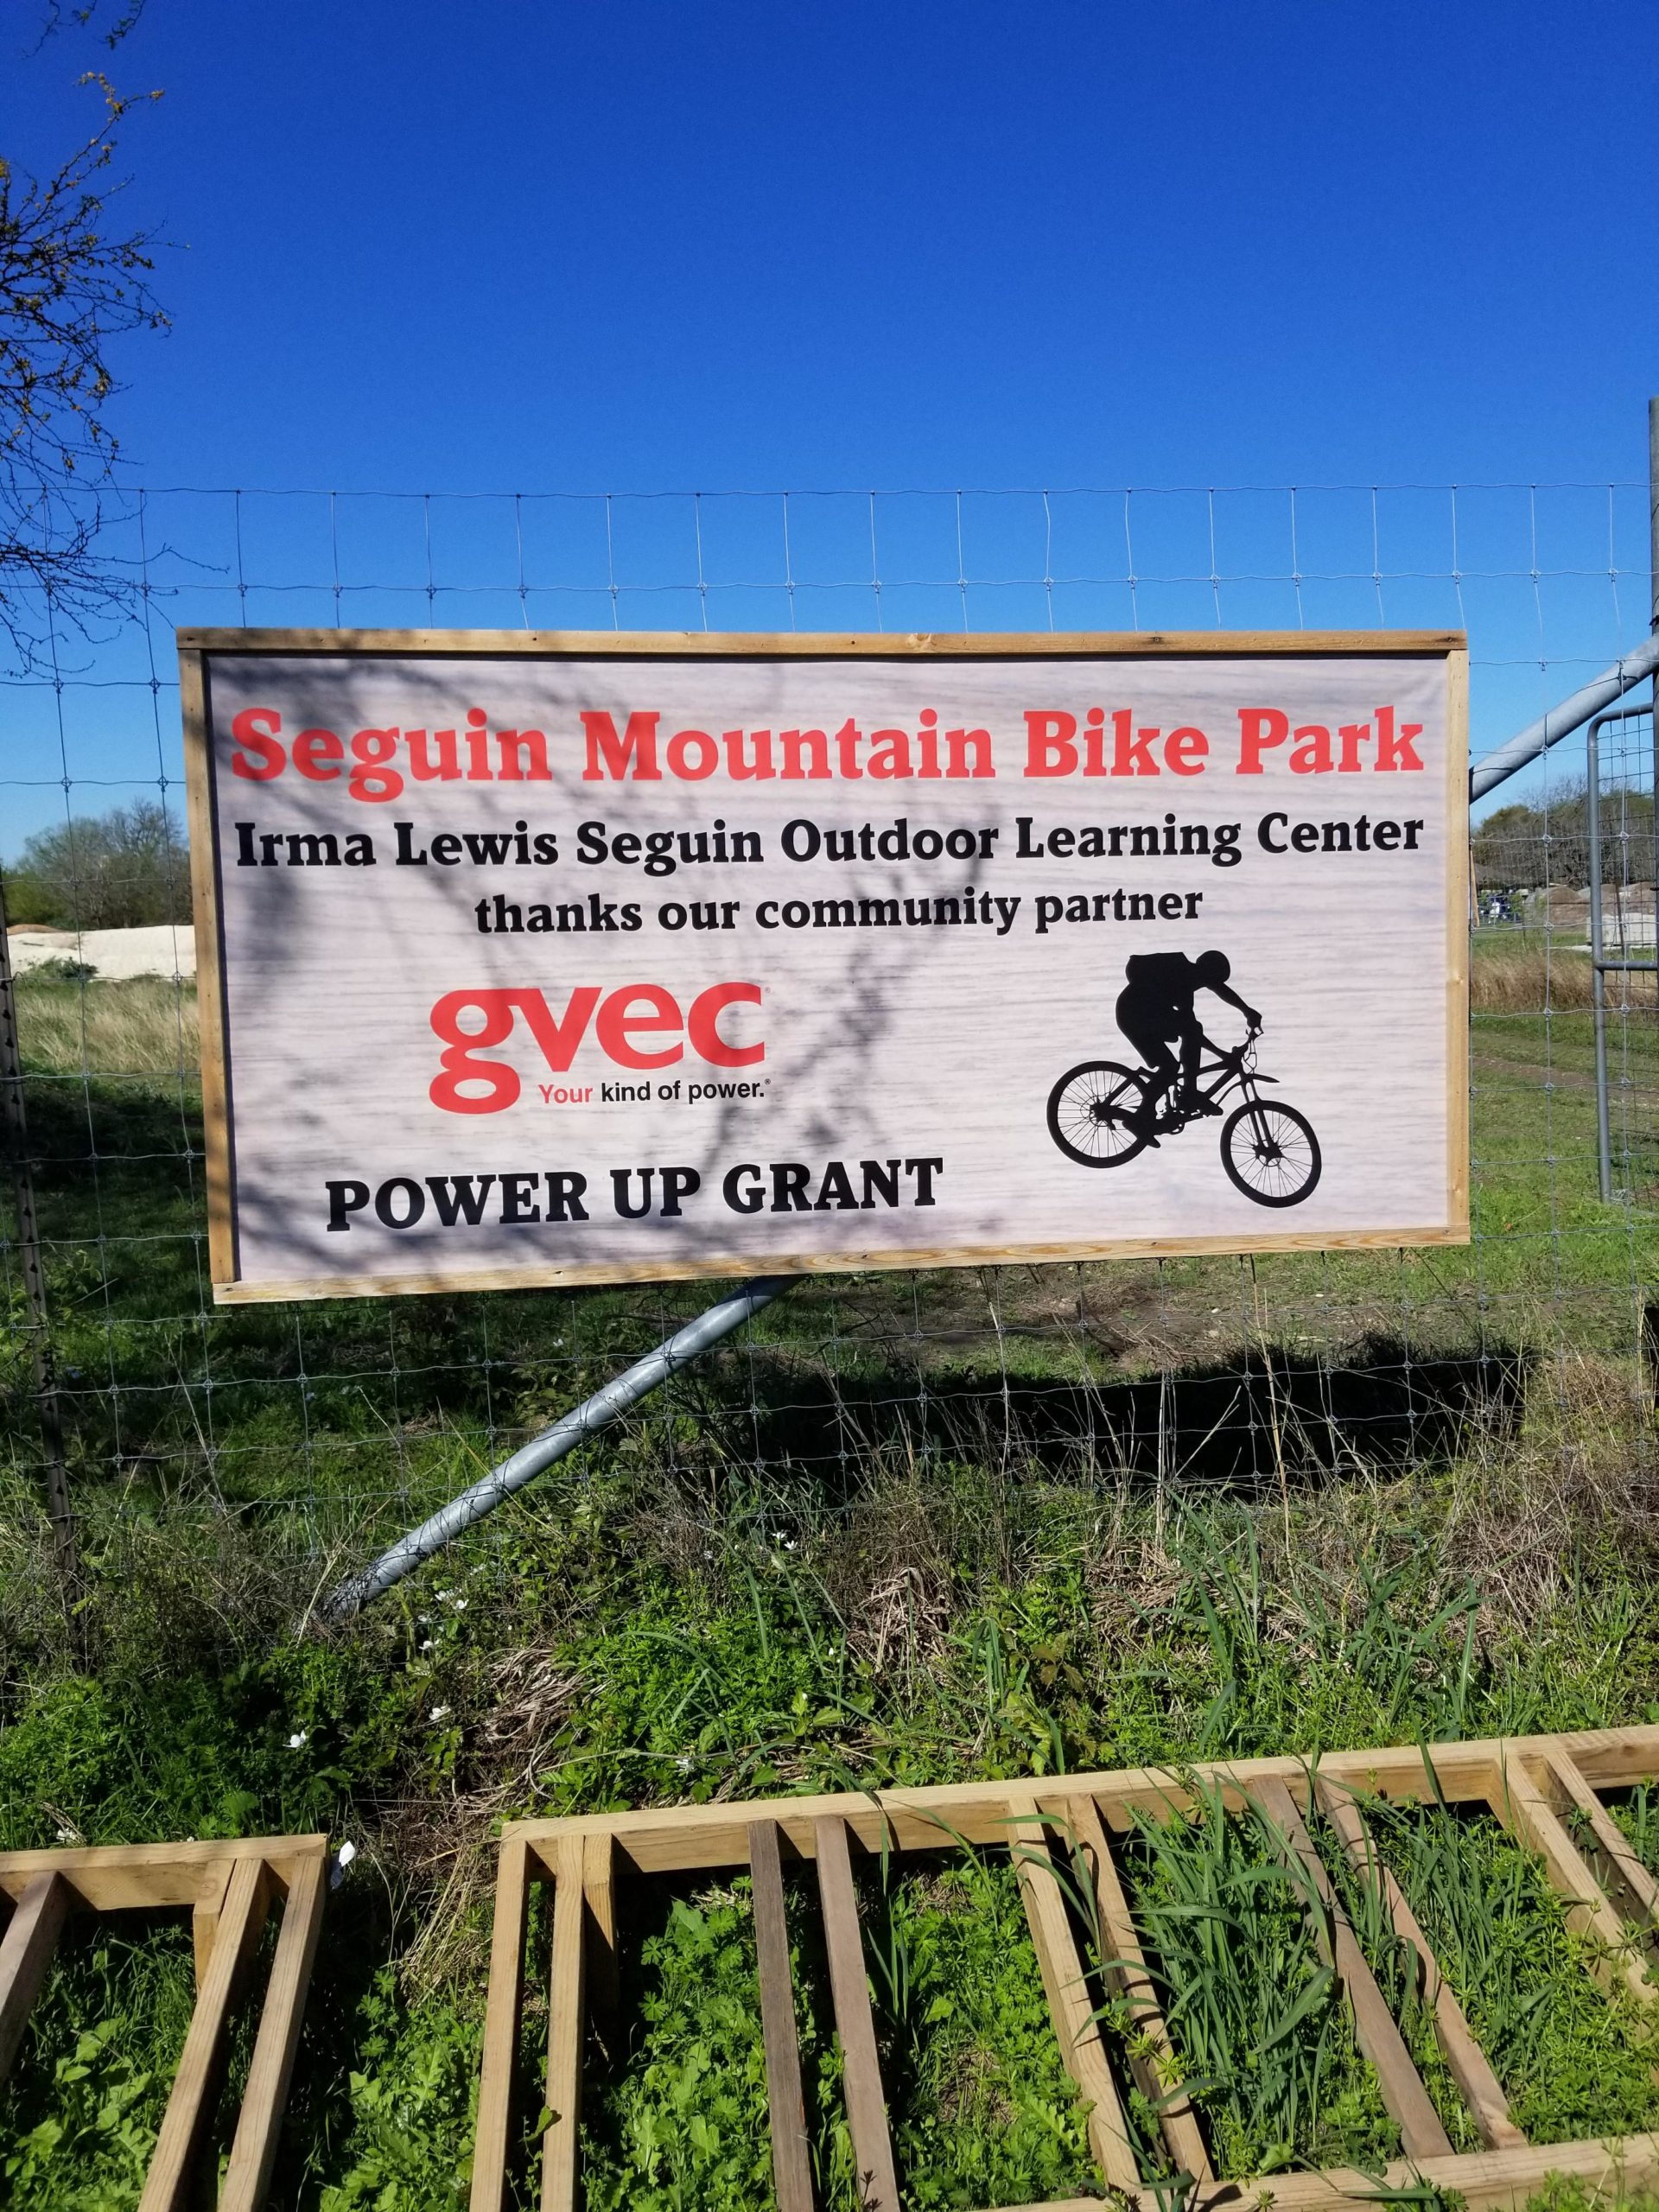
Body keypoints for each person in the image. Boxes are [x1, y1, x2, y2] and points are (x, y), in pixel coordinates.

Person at [1116, 950, 1261, 1137]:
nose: (1212, 986)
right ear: (1207, 972)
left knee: (1173, 1060)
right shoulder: (1182, 979)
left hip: (1136, 1014)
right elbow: (1192, 1031)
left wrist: (1247, 1011)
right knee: (1171, 1064)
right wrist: (1222, 1054)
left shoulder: (1190, 975)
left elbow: (1221, 991)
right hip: (1135, 1017)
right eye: (1213, 980)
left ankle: (1170, 1105)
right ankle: (1177, 1101)